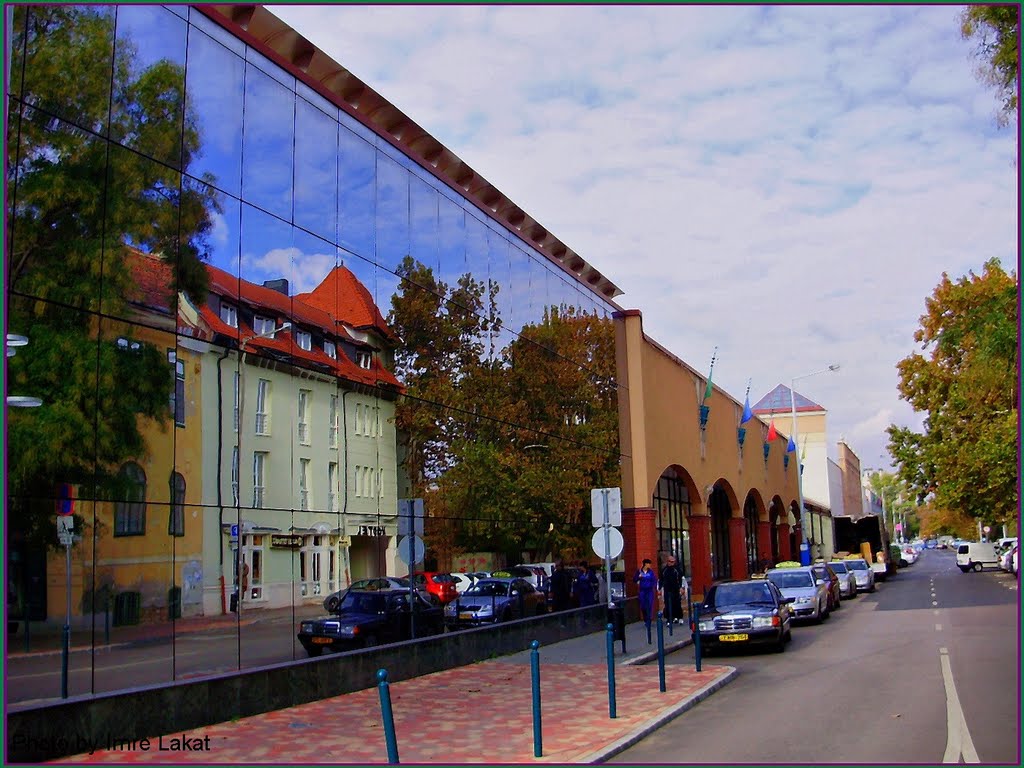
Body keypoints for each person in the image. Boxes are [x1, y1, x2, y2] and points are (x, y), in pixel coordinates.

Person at [634, 558, 657, 632]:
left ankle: (649, 620)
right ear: (645, 564)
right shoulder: (639, 571)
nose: (649, 565)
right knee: (643, 605)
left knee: (649, 605)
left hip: (649, 591)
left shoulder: (651, 572)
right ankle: (645, 618)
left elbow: (654, 580)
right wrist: (638, 577)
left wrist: (655, 587)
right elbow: (634, 579)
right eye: (648, 564)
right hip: (642, 591)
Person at [660, 555, 684, 624]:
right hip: (667, 590)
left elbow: (681, 579)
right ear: (667, 562)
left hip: (676, 589)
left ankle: (679, 617)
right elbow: (661, 580)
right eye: (670, 561)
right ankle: (669, 618)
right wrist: (659, 589)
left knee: (677, 603)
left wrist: (681, 588)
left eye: (673, 562)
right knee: (667, 604)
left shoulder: (677, 570)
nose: (671, 563)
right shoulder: (664, 570)